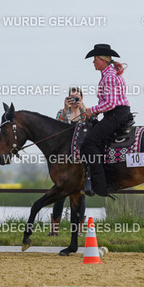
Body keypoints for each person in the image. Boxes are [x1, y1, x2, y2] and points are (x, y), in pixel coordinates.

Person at [82, 44, 132, 197]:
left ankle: (99, 185)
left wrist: (92, 110)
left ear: (102, 60)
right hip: (118, 113)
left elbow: (110, 103)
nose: (93, 62)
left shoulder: (109, 76)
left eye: (95, 59)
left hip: (115, 114)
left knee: (89, 142)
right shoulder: (111, 73)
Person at [49, 87, 88, 236]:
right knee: (60, 191)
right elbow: (57, 129)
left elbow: (90, 126)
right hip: (64, 157)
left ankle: (78, 228)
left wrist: (82, 108)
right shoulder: (61, 113)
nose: (74, 100)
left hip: (80, 156)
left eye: (77, 98)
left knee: (81, 192)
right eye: (71, 97)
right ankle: (54, 229)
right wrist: (66, 110)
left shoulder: (85, 112)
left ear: (82, 98)